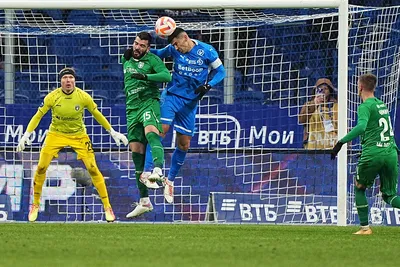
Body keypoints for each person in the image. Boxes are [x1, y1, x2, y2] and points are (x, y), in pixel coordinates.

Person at [16, 67, 128, 223]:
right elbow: (38, 116)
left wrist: (113, 132)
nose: (68, 80)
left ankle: (107, 207)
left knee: (93, 168)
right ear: (60, 81)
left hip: (79, 136)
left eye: (71, 78)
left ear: (75, 80)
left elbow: (97, 114)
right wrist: (26, 135)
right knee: (41, 167)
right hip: (55, 134)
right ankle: (34, 205)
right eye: (65, 78)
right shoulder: (52, 97)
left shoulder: (83, 97)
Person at [142, 27, 226, 204]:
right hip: (171, 97)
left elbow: (221, 72)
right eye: (173, 45)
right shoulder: (173, 49)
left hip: (190, 102)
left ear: (185, 38)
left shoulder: (207, 51)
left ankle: (170, 181)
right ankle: (147, 171)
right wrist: (145, 50)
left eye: (176, 43)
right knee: (161, 130)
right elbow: (158, 54)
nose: (175, 48)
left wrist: (208, 85)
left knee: (184, 143)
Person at [331, 73, 400, 235]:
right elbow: (388, 131)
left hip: (373, 153)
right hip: (390, 152)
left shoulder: (365, 106)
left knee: (360, 187)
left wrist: (340, 143)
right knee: (389, 195)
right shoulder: (382, 105)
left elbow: (361, 127)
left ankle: (365, 228)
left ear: (360, 87)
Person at [121, 32, 172, 218]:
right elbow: (126, 57)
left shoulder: (153, 60)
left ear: (148, 48)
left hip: (148, 102)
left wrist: (145, 77)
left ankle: (158, 169)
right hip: (131, 108)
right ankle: (144, 201)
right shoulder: (126, 58)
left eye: (142, 45)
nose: (137, 47)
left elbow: (167, 76)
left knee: (152, 133)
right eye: (135, 44)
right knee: (136, 154)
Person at [298, 78, 338, 149]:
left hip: (332, 148)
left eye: (325, 88)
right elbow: (301, 120)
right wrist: (314, 103)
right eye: (320, 89)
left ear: (330, 91)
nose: (323, 91)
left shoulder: (336, 106)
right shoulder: (309, 105)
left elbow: (344, 128)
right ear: (316, 91)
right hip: (313, 148)